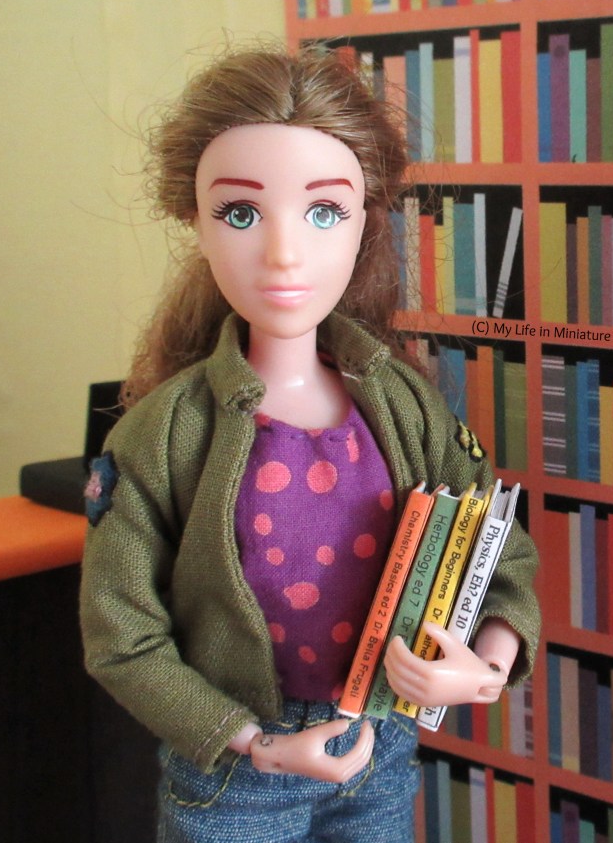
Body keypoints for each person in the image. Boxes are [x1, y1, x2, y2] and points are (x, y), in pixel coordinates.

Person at [79, 41, 540, 843]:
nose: (284, 252)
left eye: (324, 211)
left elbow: (497, 549)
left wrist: (485, 664)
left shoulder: (404, 406)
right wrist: (250, 741)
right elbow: (122, 633)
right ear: (195, 221)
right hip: (234, 772)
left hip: (378, 741)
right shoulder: (165, 433)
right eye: (240, 213)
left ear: (365, 223)